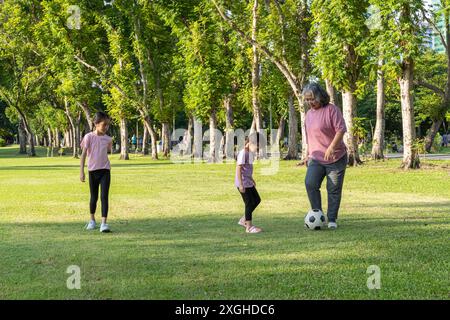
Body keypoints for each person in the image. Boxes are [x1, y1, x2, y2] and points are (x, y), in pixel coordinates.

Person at [303, 83, 348, 230]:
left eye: (312, 99)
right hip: (316, 158)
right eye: (307, 100)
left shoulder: (331, 110)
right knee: (310, 183)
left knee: (333, 188)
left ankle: (332, 219)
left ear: (320, 96)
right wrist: (307, 154)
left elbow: (341, 129)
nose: (310, 102)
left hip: (335, 157)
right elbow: (310, 136)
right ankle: (318, 214)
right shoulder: (308, 115)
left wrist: (331, 147)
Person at [80, 112, 113, 233]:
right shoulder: (88, 137)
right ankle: (92, 220)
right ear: (96, 124)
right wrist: (81, 172)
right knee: (94, 197)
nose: (106, 127)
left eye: (108, 125)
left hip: (105, 171)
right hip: (92, 171)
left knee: (104, 197)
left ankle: (104, 223)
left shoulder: (108, 139)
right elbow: (83, 155)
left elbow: (108, 151)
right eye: (104, 125)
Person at [235, 134, 262, 233]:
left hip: (248, 181)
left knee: (257, 200)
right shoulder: (243, 153)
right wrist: (241, 184)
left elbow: (248, 169)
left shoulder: (250, 153)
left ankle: (244, 220)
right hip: (243, 183)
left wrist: (252, 179)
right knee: (249, 203)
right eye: (257, 146)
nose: (257, 149)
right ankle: (249, 227)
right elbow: (239, 168)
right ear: (250, 143)